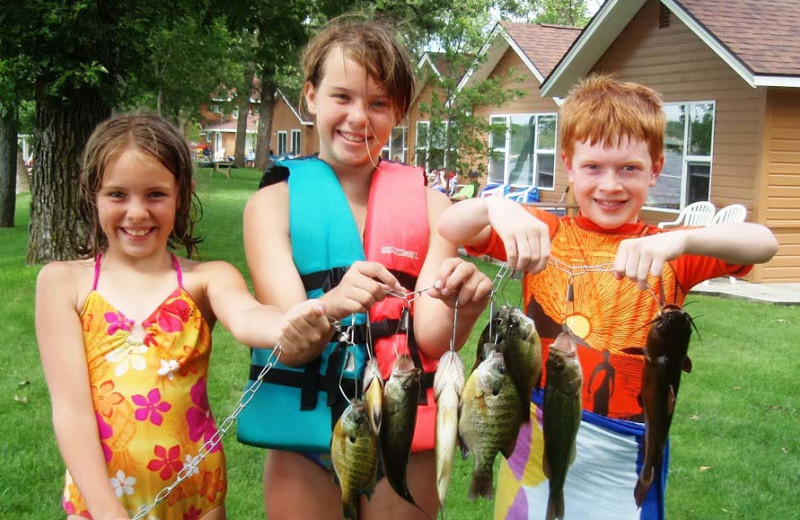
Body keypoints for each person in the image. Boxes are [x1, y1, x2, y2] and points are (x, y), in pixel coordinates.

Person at [438, 75, 778, 520]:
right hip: (536, 433)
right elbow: (450, 226)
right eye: (594, 166)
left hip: (626, 447)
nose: (610, 185)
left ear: (656, 169)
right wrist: (493, 207)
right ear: (568, 165)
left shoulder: (671, 250)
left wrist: (680, 243)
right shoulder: (545, 232)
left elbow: (763, 242)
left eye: (629, 169)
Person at [241, 15, 492, 520]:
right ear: (310, 96)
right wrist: (330, 305)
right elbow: (292, 342)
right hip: (305, 435)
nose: (360, 117)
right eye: (343, 97)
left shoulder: (433, 208)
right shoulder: (271, 205)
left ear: (398, 111)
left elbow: (435, 339)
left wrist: (465, 307)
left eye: (378, 103)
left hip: (403, 431)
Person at [35, 113, 328, 520]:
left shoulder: (208, 279)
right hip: (98, 504)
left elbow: (248, 318)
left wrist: (296, 320)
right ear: (92, 194)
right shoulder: (63, 284)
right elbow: (71, 410)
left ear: (181, 195)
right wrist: (106, 511)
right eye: (117, 194)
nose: (136, 213)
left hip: (198, 497)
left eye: (155, 194)